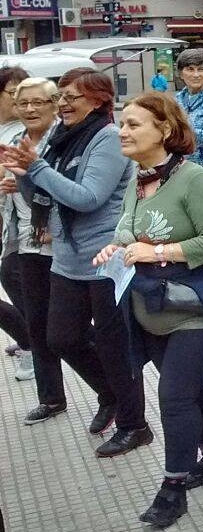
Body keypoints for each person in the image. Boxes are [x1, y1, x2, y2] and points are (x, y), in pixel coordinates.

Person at [92, 92, 203, 528]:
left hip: (194, 305)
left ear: (164, 129)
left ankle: (172, 489)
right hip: (152, 305)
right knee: (189, 390)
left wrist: (157, 251)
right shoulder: (138, 180)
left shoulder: (196, 179)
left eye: (133, 124)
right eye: (122, 123)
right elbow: (129, 232)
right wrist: (116, 248)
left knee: (174, 397)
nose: (122, 131)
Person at [0, 68, 151, 457]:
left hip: (105, 258)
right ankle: (109, 393)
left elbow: (88, 197)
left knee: (115, 346)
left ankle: (135, 425)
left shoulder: (108, 138)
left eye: (70, 97)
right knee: (61, 338)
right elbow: (42, 198)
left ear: (98, 100)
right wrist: (24, 175)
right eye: (61, 96)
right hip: (66, 259)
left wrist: (36, 169)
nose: (63, 104)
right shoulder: (61, 139)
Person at [4, 78, 58, 420]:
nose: (30, 109)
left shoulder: (62, 140)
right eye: (23, 103)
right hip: (25, 241)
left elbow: (71, 189)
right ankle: (51, 397)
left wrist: (26, 179)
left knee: (67, 329)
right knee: (37, 324)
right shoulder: (15, 141)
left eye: (38, 102)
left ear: (54, 105)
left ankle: (111, 394)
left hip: (61, 243)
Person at [0, 66, 33, 381]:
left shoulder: (25, 131)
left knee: (13, 276)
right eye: (14, 94)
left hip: (28, 225)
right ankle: (29, 338)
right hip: (9, 222)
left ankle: (30, 342)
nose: (22, 101)